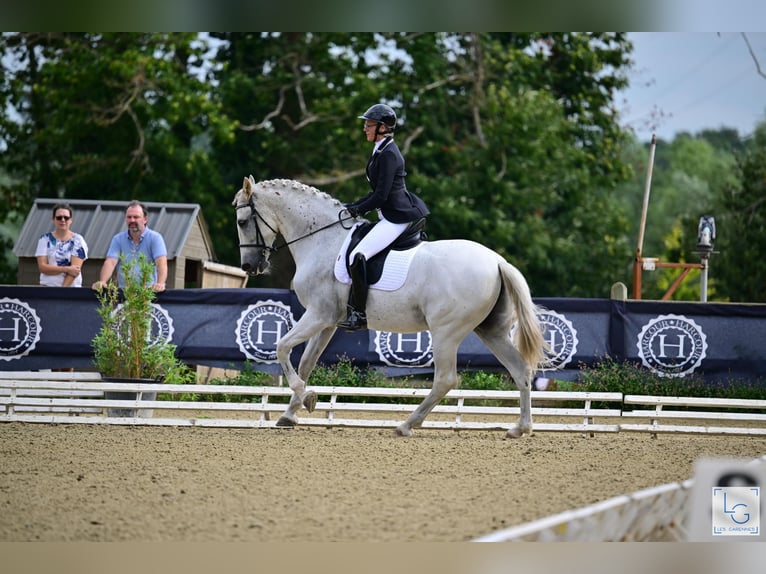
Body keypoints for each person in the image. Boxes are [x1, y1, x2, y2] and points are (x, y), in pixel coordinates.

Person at [337, 103, 430, 331]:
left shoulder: (389, 153)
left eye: (368, 125)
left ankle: (359, 314)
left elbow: (381, 195)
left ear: (382, 127)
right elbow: (375, 192)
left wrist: (359, 210)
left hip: (397, 217)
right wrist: (354, 205)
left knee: (358, 255)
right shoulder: (380, 148)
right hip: (388, 213)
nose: (364, 129)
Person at [92, 200, 168, 292]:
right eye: (129, 217)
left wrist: (160, 283)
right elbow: (111, 262)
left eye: (136, 217)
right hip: (124, 293)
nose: (132, 220)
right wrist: (103, 281)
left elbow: (161, 262)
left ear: (145, 219)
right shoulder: (118, 239)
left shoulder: (155, 238)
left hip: (147, 293)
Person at [35, 203, 89, 287]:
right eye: (59, 217)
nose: (63, 220)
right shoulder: (44, 239)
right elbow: (42, 267)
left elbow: (75, 271)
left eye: (66, 218)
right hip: (47, 288)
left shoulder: (78, 240)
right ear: (53, 219)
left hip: (71, 290)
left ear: (71, 220)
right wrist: (66, 269)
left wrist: (61, 292)